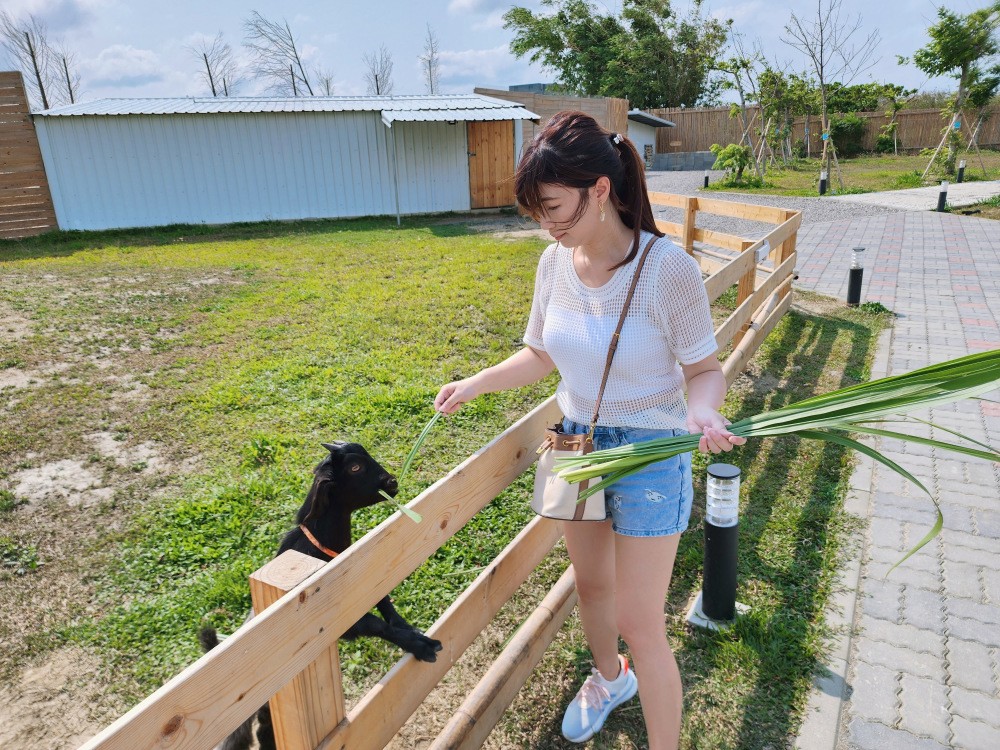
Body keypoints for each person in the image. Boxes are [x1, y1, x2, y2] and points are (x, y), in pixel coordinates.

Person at [434, 111, 745, 750]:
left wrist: (704, 410)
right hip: (576, 443)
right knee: (592, 587)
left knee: (640, 620)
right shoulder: (554, 264)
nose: (546, 225)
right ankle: (609, 679)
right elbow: (541, 354)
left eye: (553, 207)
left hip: (653, 452)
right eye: (537, 212)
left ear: (599, 189)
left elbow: (705, 370)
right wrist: (476, 383)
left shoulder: (668, 271)